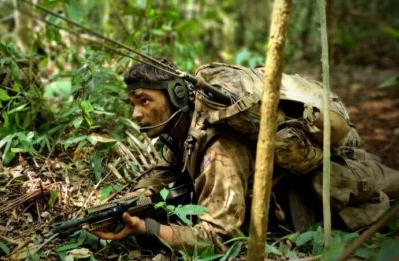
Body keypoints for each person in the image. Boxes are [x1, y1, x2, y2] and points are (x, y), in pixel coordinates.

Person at [91, 58, 399, 253]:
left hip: (336, 163)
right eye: (132, 103)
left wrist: (149, 229)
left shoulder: (219, 152)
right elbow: (166, 170)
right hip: (310, 172)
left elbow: (218, 237)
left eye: (144, 100)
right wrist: (129, 202)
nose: (136, 113)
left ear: (177, 96)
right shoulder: (182, 128)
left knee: (389, 183)